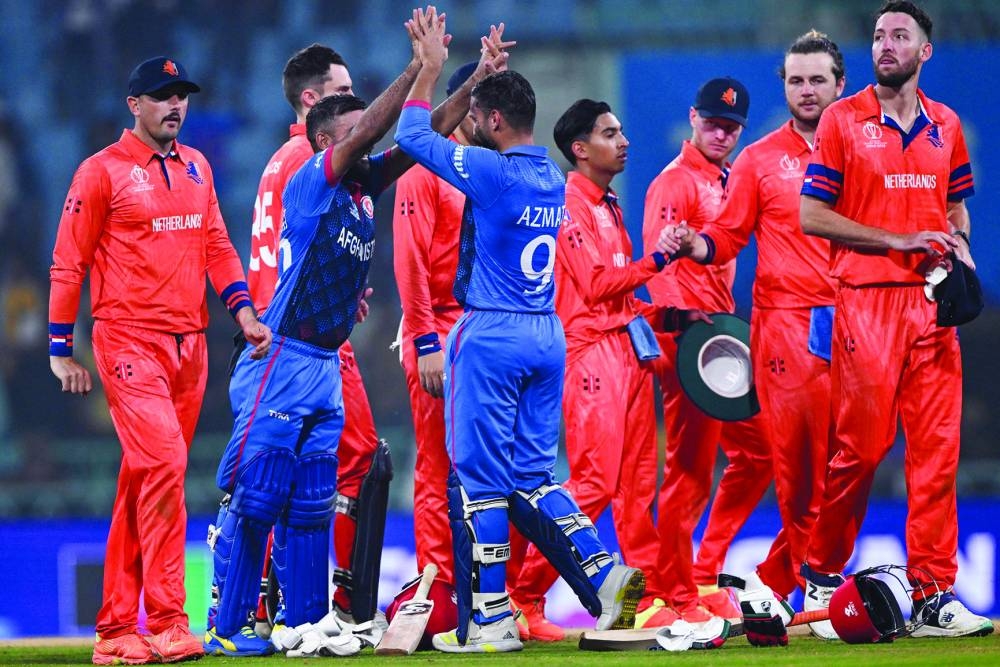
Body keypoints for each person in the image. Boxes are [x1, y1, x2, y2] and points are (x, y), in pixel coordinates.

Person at [204, 9, 511, 657]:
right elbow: (376, 124)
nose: (367, 136)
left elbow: (421, 135)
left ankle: (307, 620)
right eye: (352, 129)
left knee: (316, 499)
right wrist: (420, 68)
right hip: (281, 358)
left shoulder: (364, 187)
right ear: (326, 141)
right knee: (259, 492)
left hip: (323, 364)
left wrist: (475, 77)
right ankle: (229, 625)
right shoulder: (314, 178)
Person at [395, 14, 646, 654]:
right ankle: (602, 571)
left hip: (491, 334)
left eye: (480, 118)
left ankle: (490, 621)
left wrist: (428, 65)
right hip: (548, 336)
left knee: (478, 481)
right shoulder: (553, 180)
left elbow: (412, 133)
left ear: (496, 122)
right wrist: (483, 76)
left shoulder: (491, 173)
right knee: (536, 478)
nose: (475, 127)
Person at [48, 56, 272, 666]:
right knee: (167, 463)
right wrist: (60, 348)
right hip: (127, 342)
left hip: (190, 346)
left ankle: (116, 629)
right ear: (134, 106)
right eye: (162, 97)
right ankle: (170, 619)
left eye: (182, 97)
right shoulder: (100, 173)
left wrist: (245, 312)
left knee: (143, 478)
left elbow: (218, 247)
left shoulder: (198, 166)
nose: (176, 106)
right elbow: (68, 261)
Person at [798, 0, 992, 638]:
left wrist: (959, 247)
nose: (885, 44)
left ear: (924, 51)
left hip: (932, 307)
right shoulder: (842, 120)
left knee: (938, 454)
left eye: (899, 35)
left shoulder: (947, 124)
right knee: (861, 449)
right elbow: (812, 216)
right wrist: (894, 240)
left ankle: (935, 593)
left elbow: (956, 207)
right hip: (868, 299)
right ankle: (823, 576)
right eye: (879, 35)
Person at [663, 31, 847, 642]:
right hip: (779, 325)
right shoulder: (758, 160)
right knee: (793, 464)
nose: (806, 89)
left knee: (852, 457)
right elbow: (729, 235)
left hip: (856, 320)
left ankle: (769, 577)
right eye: (796, 79)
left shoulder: (864, 151)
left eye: (817, 79)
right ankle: (797, 580)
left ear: (839, 85)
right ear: (785, 86)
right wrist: (698, 247)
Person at [507, 99, 706, 641]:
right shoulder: (567, 203)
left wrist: (667, 314)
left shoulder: (609, 204)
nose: (623, 141)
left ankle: (644, 602)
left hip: (628, 352)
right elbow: (594, 287)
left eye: (621, 131)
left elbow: (619, 299)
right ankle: (522, 599)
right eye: (610, 133)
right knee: (593, 482)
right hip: (589, 355)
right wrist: (660, 263)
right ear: (579, 149)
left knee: (638, 487)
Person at [241, 42, 387, 633]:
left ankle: (265, 609)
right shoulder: (310, 160)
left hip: (280, 334)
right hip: (302, 342)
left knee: (283, 472)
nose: (354, 103)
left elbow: (295, 249)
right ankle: (348, 610)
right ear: (312, 101)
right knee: (357, 463)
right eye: (342, 91)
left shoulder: (284, 159)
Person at [638, 76, 770, 629]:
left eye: (732, 126)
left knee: (760, 453)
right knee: (689, 472)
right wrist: (684, 336)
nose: (722, 132)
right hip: (692, 342)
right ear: (693, 118)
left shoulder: (725, 179)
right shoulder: (675, 184)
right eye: (714, 122)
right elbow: (659, 264)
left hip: (720, 337)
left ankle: (703, 568)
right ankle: (674, 590)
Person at [392, 60, 478, 589]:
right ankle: (439, 589)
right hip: (436, 331)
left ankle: (493, 593)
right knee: (437, 465)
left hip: (479, 328)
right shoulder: (424, 169)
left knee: (489, 468)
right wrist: (426, 340)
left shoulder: (484, 166)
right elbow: (410, 261)